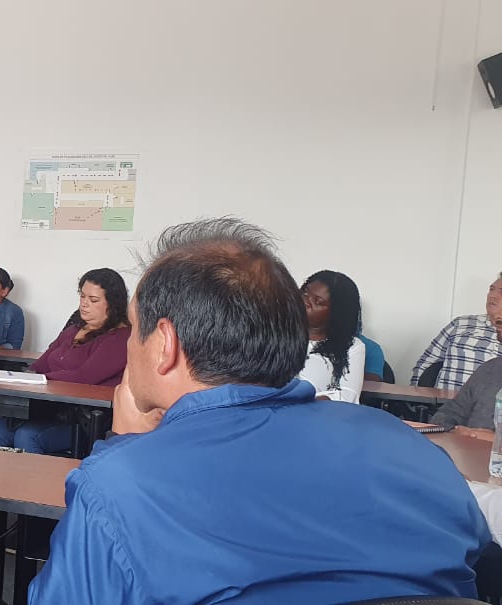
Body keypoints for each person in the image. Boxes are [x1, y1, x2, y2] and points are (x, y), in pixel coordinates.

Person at [29, 218, 491, 604]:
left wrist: (127, 447)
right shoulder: (414, 452)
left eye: (135, 329)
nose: (130, 344)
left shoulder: (119, 483)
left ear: (164, 344)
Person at [0, 268, 130, 454]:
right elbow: (41, 364)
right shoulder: (73, 330)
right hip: (52, 408)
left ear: (113, 304)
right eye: (82, 296)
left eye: (93, 300)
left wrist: (42, 379)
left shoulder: (120, 338)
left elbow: (84, 377)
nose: (84, 304)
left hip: (84, 419)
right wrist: (24, 376)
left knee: (27, 435)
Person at [411, 274, 502, 390]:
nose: (492, 295)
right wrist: (416, 396)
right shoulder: (460, 324)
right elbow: (425, 364)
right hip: (446, 400)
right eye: (491, 289)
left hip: (490, 402)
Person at [298, 270, 366, 402]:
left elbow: (348, 396)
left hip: (317, 412)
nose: (305, 301)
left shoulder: (352, 347)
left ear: (337, 313)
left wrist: (300, 402)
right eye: (305, 293)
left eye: (318, 301)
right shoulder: (275, 334)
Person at [429, 356, 502, 437]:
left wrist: (494, 439)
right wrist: (454, 431)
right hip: (461, 442)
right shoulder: (492, 368)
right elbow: (448, 413)